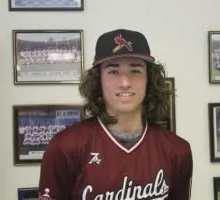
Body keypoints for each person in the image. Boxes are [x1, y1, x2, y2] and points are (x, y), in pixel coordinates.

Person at [38, 29, 193, 200]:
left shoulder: (177, 150)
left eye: (135, 71)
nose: (125, 83)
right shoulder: (65, 147)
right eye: (113, 71)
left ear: (149, 79)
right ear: (98, 80)